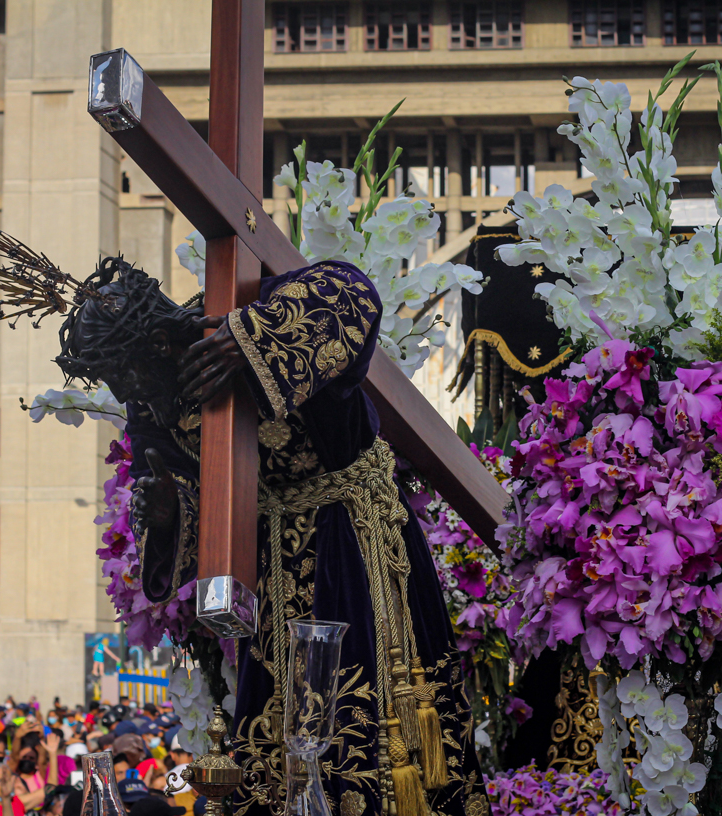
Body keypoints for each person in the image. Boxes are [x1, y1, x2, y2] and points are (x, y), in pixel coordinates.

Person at [47, 253, 487, 814]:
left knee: (372, 710)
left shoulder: (240, 304)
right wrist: (162, 510)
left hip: (355, 536)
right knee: (275, 734)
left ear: (156, 345)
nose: (128, 391)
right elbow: (171, 492)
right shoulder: (152, 404)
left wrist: (250, 338)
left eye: (126, 374)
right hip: (272, 563)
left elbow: (351, 291)